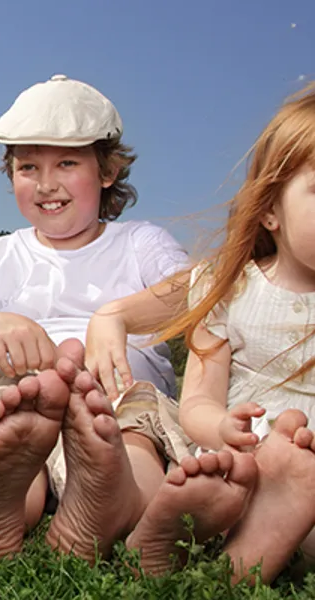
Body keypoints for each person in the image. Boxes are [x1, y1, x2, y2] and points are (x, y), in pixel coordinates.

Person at [0, 75, 192, 562]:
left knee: (134, 445)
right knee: (5, 447)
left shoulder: (139, 242)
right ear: (11, 175)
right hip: (17, 400)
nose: (46, 184)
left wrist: (117, 315)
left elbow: (195, 290)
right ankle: (0, 509)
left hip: (118, 396)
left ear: (107, 171)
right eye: (28, 167)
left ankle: (116, 499)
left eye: (67, 162)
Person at [125, 83, 315, 584]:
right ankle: (207, 527)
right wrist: (223, 428)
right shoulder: (229, 289)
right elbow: (199, 401)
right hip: (239, 459)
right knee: (212, 471)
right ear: (270, 210)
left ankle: (249, 549)